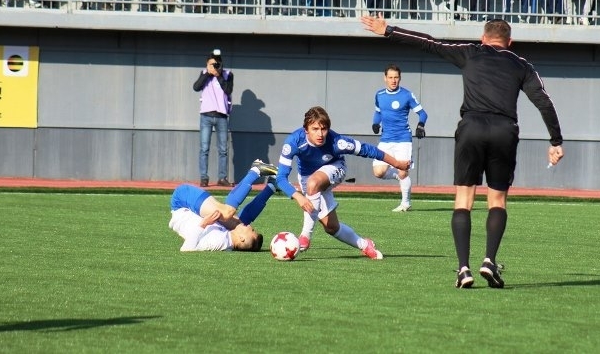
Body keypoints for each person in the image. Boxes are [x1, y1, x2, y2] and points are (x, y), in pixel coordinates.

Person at [361, 16, 564, 288]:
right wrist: (555, 140)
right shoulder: (522, 65)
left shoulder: (471, 52)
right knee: (497, 200)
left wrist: (389, 31)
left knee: (464, 200)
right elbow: (543, 101)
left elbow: (429, 43)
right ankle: (489, 260)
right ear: (510, 42)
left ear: (483, 38)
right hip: (504, 131)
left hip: (471, 129)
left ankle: (464, 269)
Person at [274, 106, 410, 257]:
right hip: (307, 177)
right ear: (306, 129)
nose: (320, 134)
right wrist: (297, 196)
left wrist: (397, 164)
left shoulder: (337, 142)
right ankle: (365, 245)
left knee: (313, 183)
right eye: (315, 129)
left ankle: (305, 235)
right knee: (331, 227)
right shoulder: (293, 142)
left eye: (324, 129)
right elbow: (280, 178)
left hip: (335, 167)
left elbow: (369, 150)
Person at [168, 161, 279, 252]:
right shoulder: (228, 242)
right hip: (190, 206)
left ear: (242, 238)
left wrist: (204, 224)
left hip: (181, 203)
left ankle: (256, 170)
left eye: (252, 230)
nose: (250, 227)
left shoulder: (218, 242)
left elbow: (186, 249)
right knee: (241, 221)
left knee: (226, 214)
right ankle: (272, 186)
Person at [371, 64, 428, 212]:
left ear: (400, 78)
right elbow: (378, 112)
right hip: (386, 139)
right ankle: (398, 176)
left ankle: (405, 203)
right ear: (385, 78)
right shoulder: (379, 95)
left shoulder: (407, 95)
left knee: (403, 171)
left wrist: (420, 125)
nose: (393, 80)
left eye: (396, 77)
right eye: (390, 77)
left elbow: (423, 113)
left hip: (403, 139)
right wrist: (375, 123)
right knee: (378, 172)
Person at [194, 49, 233, 187]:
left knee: (223, 150)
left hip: (222, 116)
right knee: (204, 148)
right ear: (207, 64)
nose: (214, 67)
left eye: (216, 64)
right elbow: (196, 87)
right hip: (206, 115)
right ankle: (204, 178)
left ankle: (222, 178)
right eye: (212, 64)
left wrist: (218, 76)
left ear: (221, 64)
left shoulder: (228, 74)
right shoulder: (204, 74)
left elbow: (228, 90)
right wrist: (208, 74)